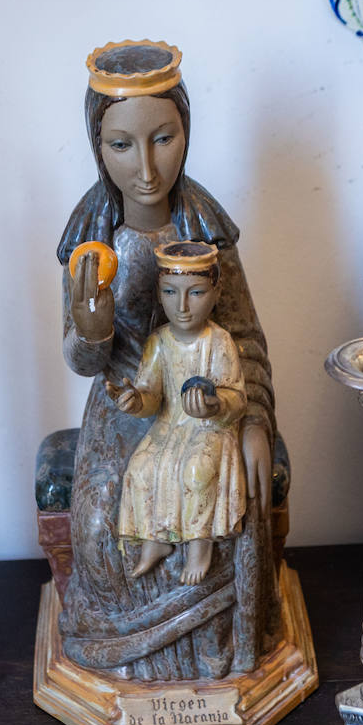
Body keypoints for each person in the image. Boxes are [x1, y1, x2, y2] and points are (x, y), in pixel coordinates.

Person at [56, 40, 277, 681]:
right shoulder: (88, 241)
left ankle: (209, 653)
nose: (146, 167)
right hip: (128, 399)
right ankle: (130, 659)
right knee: (101, 527)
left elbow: (246, 338)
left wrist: (255, 419)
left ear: (187, 132)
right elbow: (79, 356)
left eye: (164, 139)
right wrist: (92, 333)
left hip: (206, 404)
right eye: (121, 144)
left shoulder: (208, 233)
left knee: (221, 505)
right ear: (97, 145)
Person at [110, 242, 247, 587]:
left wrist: (215, 405)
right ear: (160, 293)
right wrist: (135, 401)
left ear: (215, 292)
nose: (182, 306)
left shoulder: (219, 342)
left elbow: (237, 396)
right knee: (142, 468)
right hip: (170, 424)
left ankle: (200, 545)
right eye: (170, 293)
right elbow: (151, 394)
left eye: (196, 292)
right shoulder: (159, 343)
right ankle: (156, 538)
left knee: (196, 470)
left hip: (209, 428)